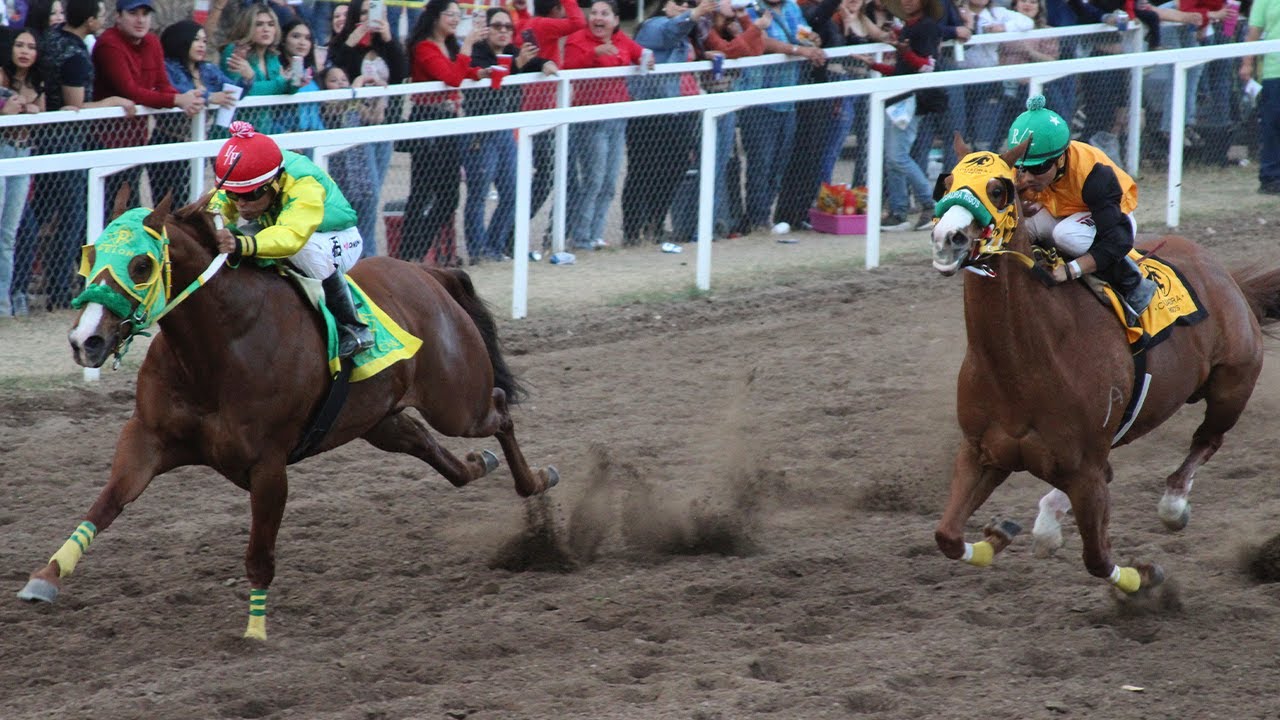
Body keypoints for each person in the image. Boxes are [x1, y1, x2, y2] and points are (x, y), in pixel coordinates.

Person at [209, 120, 373, 358]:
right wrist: (211, 226)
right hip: (279, 226)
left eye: (252, 194)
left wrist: (242, 244)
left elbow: (291, 237)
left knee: (298, 250)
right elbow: (215, 209)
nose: (241, 204)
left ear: (275, 182)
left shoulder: (304, 184)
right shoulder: (249, 174)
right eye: (234, 194)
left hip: (333, 237)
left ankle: (353, 328)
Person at [21, 0, 133, 312]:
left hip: (41, 142)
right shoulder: (74, 56)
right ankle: (59, 292)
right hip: (65, 142)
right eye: (100, 14)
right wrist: (112, 100)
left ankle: (28, 283)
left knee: (38, 215)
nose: (103, 20)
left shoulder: (51, 38)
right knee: (72, 217)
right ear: (90, 20)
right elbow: (74, 107)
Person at [1008, 94, 1157, 316]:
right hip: (1062, 211)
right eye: (1021, 168)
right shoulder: (1021, 173)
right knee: (1018, 226)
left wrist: (1070, 270)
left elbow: (1119, 240)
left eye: (1037, 168)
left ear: (1059, 159)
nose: (1026, 177)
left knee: (1066, 234)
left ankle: (1132, 281)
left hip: (1112, 218)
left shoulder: (1094, 174)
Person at [92, 0, 205, 212]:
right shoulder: (109, 43)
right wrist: (177, 100)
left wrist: (185, 100)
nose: (140, 19)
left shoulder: (152, 42)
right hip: (103, 140)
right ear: (118, 16)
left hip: (136, 139)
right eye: (133, 13)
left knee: (129, 208)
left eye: (145, 13)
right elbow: (130, 90)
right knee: (104, 209)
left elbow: (163, 85)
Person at [463, 5, 555, 261]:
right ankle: (477, 252)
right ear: (487, 29)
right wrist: (518, 64)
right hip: (479, 133)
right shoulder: (477, 53)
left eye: (508, 27)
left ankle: (494, 247)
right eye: (498, 26)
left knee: (514, 192)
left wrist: (545, 62)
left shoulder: (515, 52)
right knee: (478, 194)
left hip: (504, 133)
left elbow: (536, 62)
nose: (503, 31)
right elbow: (488, 82)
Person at [623, 0, 716, 247]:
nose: (684, 6)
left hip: (672, 111)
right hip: (646, 112)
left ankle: (655, 223)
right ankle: (632, 232)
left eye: (689, 3)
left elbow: (679, 45)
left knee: (673, 168)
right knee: (641, 172)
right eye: (678, 2)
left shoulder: (685, 34)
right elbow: (667, 34)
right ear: (664, 6)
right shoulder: (653, 25)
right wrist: (694, 13)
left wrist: (705, 54)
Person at [403, 0, 487, 266]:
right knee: (422, 191)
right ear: (435, 17)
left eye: (457, 14)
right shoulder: (424, 47)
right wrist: (469, 45)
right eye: (449, 14)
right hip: (428, 120)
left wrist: (479, 72)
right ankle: (410, 254)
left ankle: (415, 250)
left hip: (448, 120)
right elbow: (450, 77)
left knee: (449, 195)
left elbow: (456, 73)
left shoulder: (448, 45)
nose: (454, 18)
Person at [561, 0, 646, 250]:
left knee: (609, 182)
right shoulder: (577, 40)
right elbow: (569, 68)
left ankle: (596, 234)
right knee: (593, 180)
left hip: (617, 119)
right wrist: (594, 54)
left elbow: (641, 54)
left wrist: (647, 61)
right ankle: (581, 237)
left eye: (604, 14)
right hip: (591, 120)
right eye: (594, 13)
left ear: (615, 20)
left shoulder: (622, 41)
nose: (598, 18)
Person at [328, 0, 406, 256]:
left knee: (374, 191)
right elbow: (337, 68)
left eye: (374, 11)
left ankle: (362, 251)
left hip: (383, 123)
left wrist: (388, 38)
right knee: (367, 192)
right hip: (355, 121)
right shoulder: (344, 44)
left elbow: (401, 73)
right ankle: (366, 254)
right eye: (362, 12)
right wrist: (353, 38)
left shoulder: (387, 44)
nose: (369, 17)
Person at [859, 0, 944, 232]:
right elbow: (902, 70)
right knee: (893, 157)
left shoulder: (926, 27)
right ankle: (899, 212)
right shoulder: (909, 27)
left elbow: (927, 66)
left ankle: (930, 204)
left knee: (897, 157)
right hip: (900, 98)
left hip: (912, 100)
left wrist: (904, 51)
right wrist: (875, 66)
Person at [154, 19, 241, 205]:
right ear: (182, 40)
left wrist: (246, 76)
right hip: (169, 140)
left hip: (197, 140)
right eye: (197, 40)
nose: (202, 45)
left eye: (204, 41)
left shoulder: (207, 69)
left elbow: (232, 91)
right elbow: (180, 91)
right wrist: (210, 97)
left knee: (193, 198)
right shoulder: (167, 67)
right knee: (169, 202)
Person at [0, 27, 43, 318]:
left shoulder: (37, 84)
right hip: (2, 150)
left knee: (9, 235)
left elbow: (44, 114)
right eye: (19, 45)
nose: (25, 51)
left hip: (23, 153)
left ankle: (3, 306)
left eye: (30, 46)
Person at [317, 65, 380, 261]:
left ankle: (369, 256)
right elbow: (336, 107)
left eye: (343, 79)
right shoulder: (327, 104)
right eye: (334, 81)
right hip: (338, 168)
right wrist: (355, 87)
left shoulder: (355, 102)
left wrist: (377, 95)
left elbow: (375, 118)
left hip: (359, 165)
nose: (340, 84)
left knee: (367, 211)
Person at [220, 3, 299, 134]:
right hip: (233, 132)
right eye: (259, 24)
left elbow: (282, 89)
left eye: (270, 24)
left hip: (262, 130)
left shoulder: (272, 55)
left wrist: (294, 83)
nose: (266, 29)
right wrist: (280, 83)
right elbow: (243, 92)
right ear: (248, 27)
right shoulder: (235, 51)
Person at [1239, 0, 1279, 194]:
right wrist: (1247, 62)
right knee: (1272, 125)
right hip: (1274, 71)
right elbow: (1254, 31)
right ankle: (1270, 177)